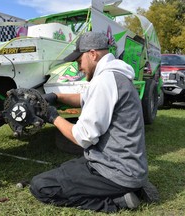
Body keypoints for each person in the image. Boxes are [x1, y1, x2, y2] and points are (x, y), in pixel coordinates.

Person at [29, 31, 159, 212]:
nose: (78, 67)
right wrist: (55, 96)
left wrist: (53, 117)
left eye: (79, 61)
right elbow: (85, 97)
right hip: (123, 166)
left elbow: (83, 137)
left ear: (92, 54)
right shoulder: (115, 76)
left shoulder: (104, 81)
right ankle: (133, 187)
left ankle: (119, 200)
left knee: (41, 186)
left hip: (116, 172)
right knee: (64, 167)